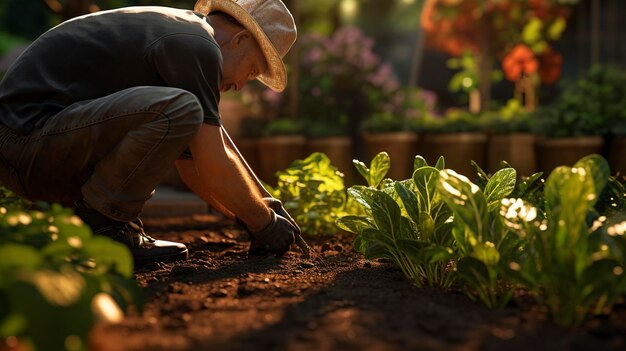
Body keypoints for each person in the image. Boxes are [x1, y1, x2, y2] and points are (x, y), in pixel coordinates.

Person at [0, 0, 301, 265]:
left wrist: (262, 210)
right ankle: (104, 225)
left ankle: (101, 223)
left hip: (27, 146)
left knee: (183, 109)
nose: (241, 85)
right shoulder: (196, 45)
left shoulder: (185, 36)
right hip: (25, 142)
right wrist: (264, 223)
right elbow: (214, 165)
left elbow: (196, 165)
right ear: (240, 39)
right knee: (182, 107)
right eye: (251, 70)